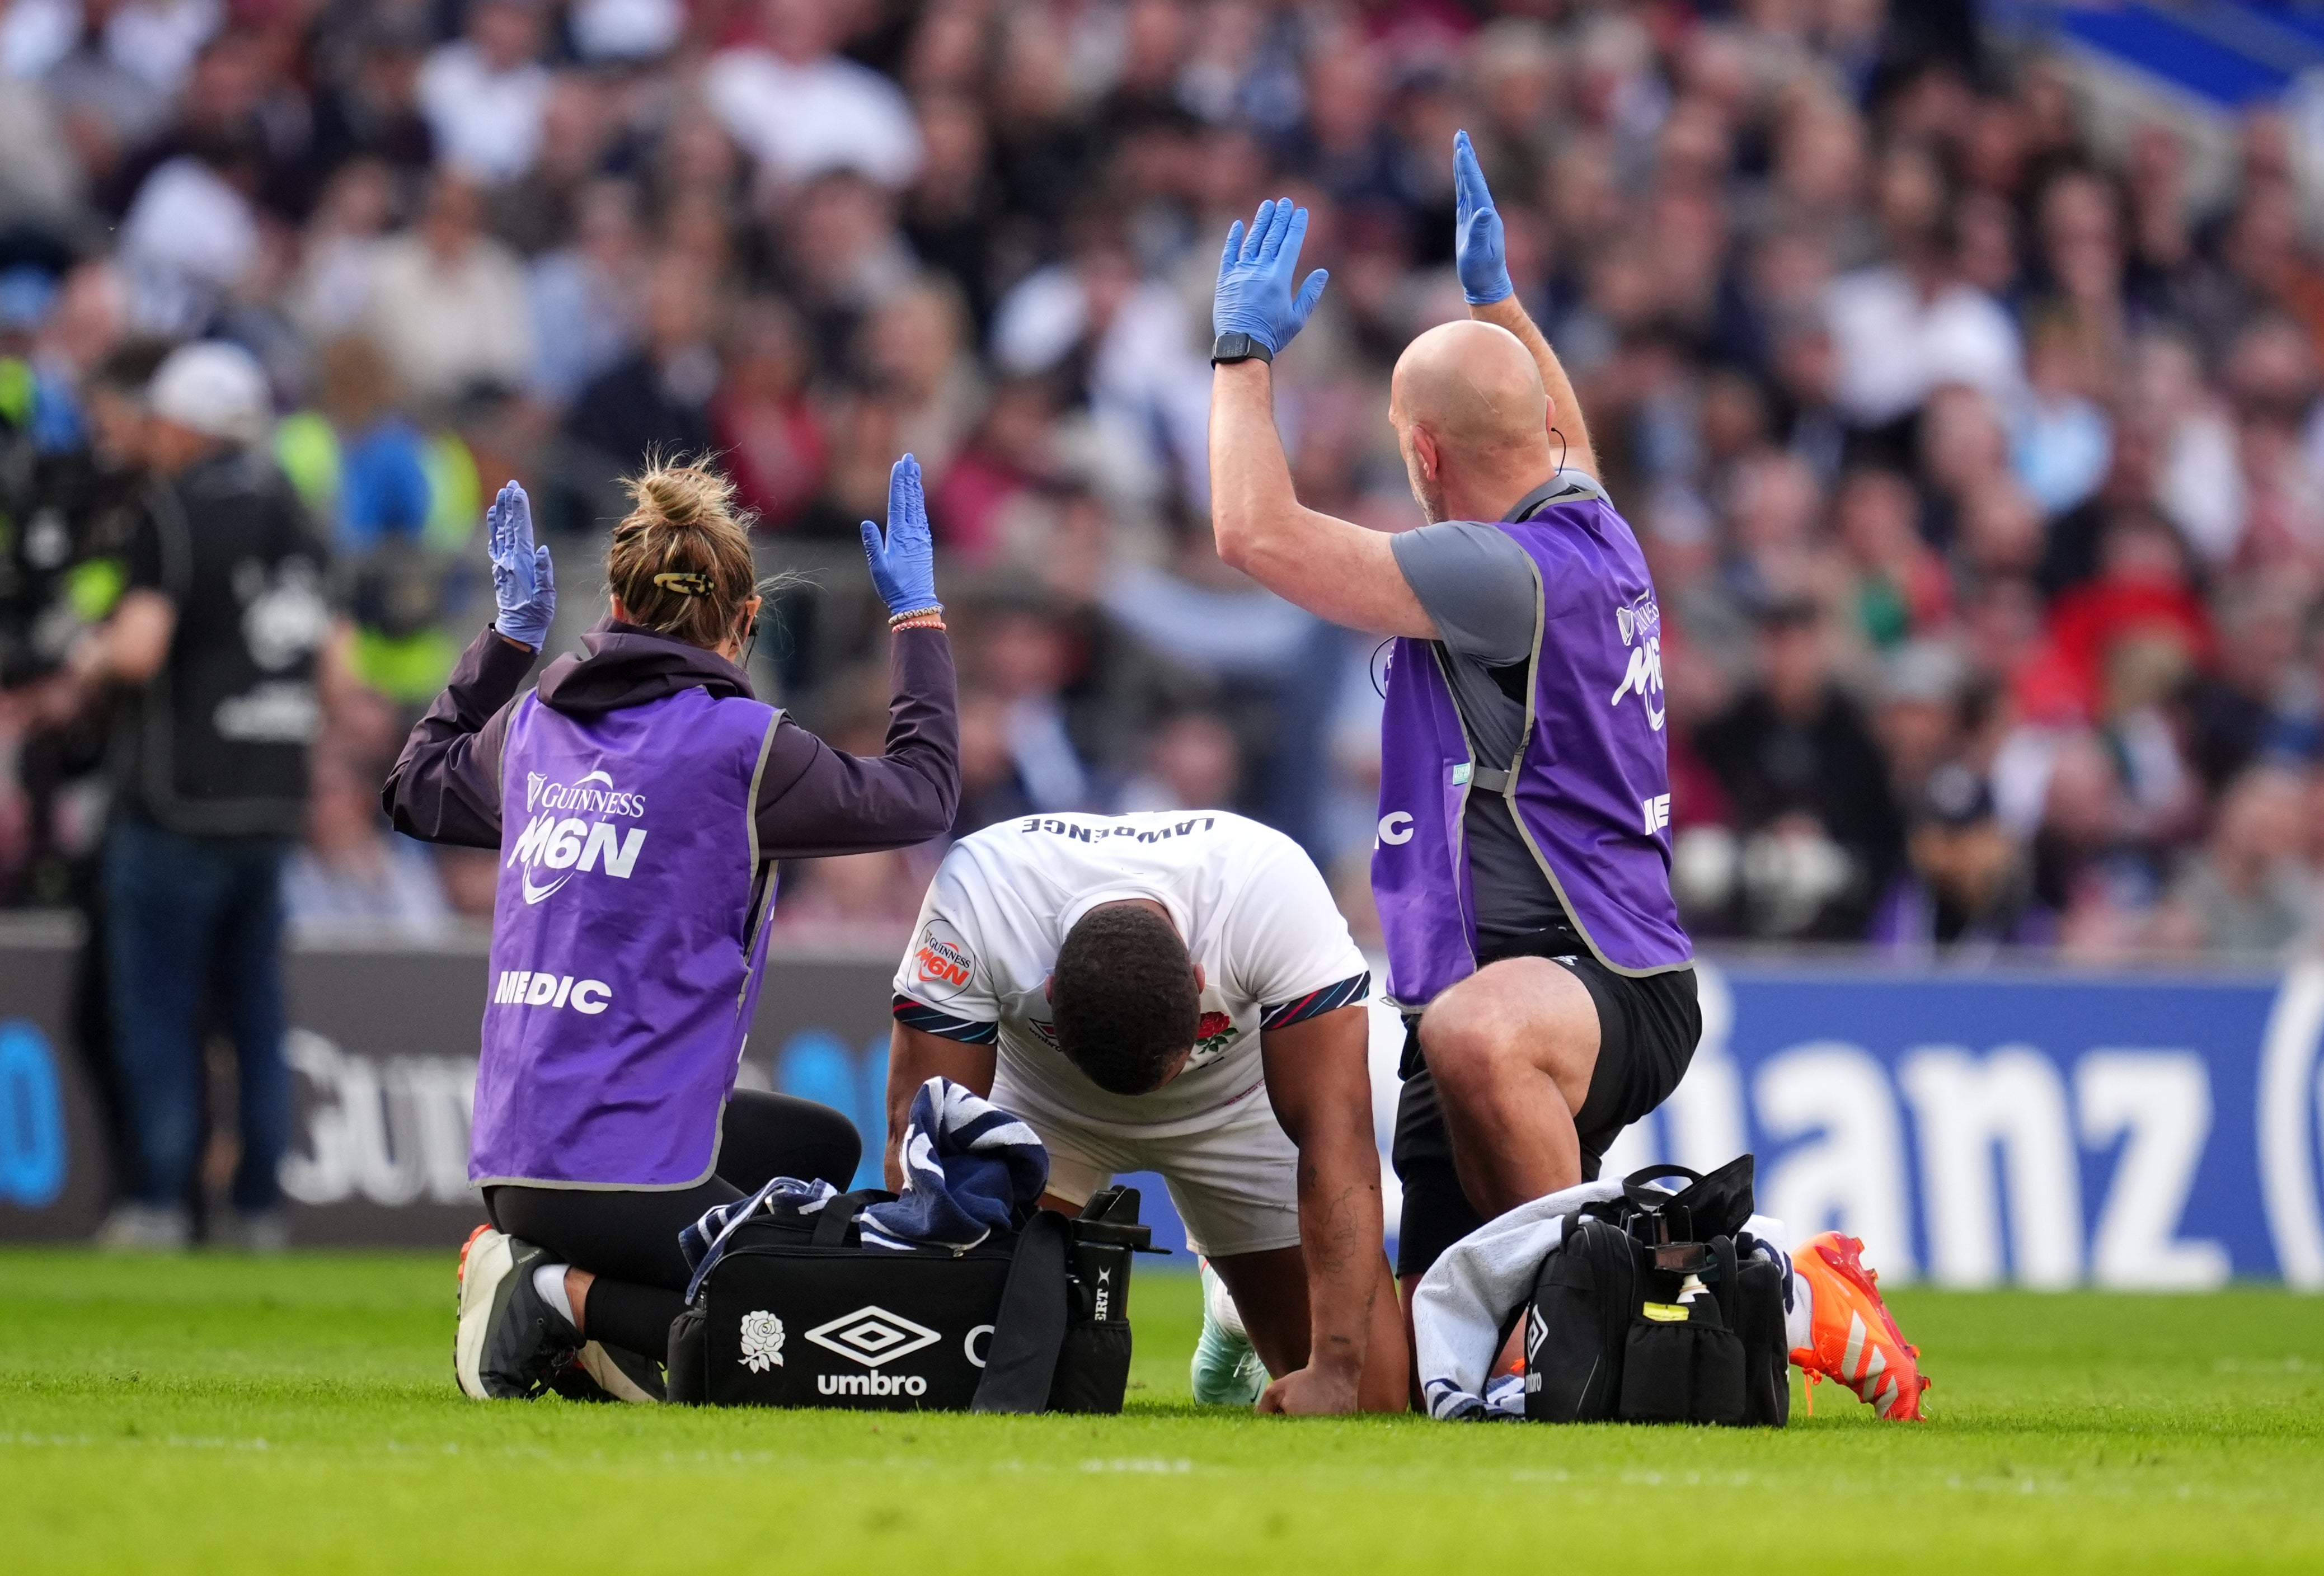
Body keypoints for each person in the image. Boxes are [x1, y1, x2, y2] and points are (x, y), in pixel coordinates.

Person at [1201, 133, 1922, 1392]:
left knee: (1484, 1045)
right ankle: (1658, 1304)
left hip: (1586, 981)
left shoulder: (1500, 573)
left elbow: (1253, 533)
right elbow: (1561, 428)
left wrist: (1240, 357)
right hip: (1488, 991)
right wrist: (1500, 304)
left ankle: (1770, 1291)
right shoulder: (1589, 516)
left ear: (1423, 456)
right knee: (1383, 1381)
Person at [385, 454, 957, 1401]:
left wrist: (508, 639)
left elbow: (413, 787)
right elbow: (923, 792)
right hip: (621, 1169)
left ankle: (567, 1315)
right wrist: (917, 620)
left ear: (613, 599)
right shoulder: (745, 746)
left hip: (520, 1158)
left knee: (815, 1151)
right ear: (742, 625)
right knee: (812, 1331)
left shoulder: (531, 730)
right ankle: (552, 1294)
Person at [885, 809, 1404, 1414]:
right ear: (1050, 990)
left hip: (1234, 1100)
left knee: (1372, 1400)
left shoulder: (1268, 889)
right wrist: (928, 1295)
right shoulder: (979, 894)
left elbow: (1336, 1135)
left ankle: (1231, 1309)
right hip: (1048, 1105)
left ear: (1198, 977)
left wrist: (1337, 1371)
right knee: (947, 1369)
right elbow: (923, 1140)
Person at [64, 341, 339, 1251]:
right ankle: (259, 1208)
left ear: (181, 424)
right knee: (256, 1015)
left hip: (178, 803)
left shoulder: (171, 512)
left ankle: (159, 1201)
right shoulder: (296, 515)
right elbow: (336, 668)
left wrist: (87, 653)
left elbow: (139, 649)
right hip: (272, 804)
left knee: (160, 1011)